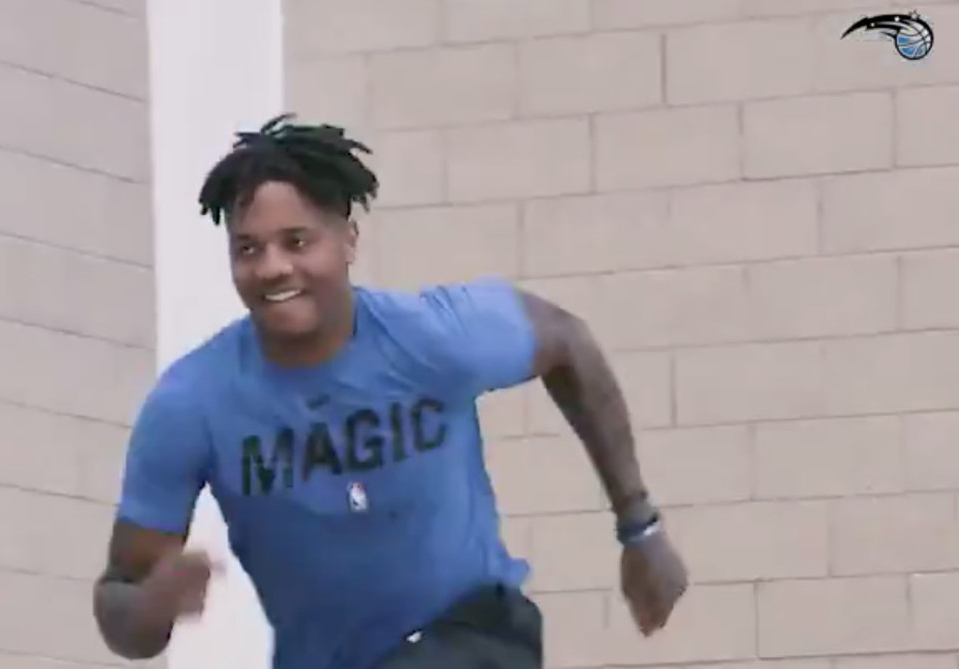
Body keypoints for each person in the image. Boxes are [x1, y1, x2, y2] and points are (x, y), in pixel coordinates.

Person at [91, 114, 688, 669]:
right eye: (249, 249)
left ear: (348, 241)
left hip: (474, 637)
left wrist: (639, 526)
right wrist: (151, 606)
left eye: (297, 242)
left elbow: (566, 342)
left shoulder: (432, 336)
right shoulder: (192, 403)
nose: (272, 267)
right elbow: (121, 599)